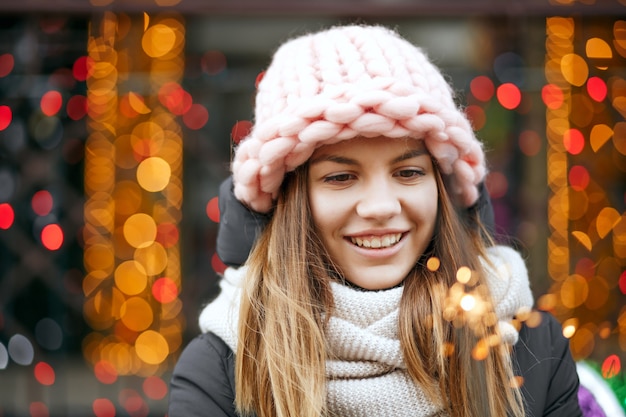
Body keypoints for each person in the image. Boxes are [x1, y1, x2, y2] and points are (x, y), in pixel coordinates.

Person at [168, 24, 582, 417]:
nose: (380, 206)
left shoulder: (530, 346)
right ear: (290, 200)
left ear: (444, 188)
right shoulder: (222, 369)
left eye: (408, 172)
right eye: (341, 177)